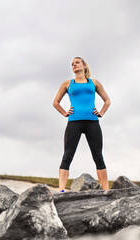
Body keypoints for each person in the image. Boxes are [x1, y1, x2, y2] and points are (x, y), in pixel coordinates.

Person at [52, 57, 111, 191]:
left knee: (98, 155)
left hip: (93, 122)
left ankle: (106, 190)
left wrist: (101, 113)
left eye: (77, 63)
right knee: (68, 154)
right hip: (74, 122)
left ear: (84, 65)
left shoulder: (94, 82)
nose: (74, 65)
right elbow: (55, 102)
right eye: (72, 64)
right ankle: (61, 190)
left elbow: (107, 100)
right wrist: (65, 113)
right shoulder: (67, 84)